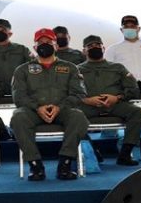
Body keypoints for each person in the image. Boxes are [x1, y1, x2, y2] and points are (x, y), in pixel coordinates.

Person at [10, 28, 89, 181]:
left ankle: (65, 163)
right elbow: (19, 97)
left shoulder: (70, 68)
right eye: (40, 42)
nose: (44, 45)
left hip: (63, 110)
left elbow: (79, 93)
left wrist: (60, 107)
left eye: (48, 42)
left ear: (56, 46)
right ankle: (35, 165)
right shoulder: (22, 70)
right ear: (34, 47)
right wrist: (37, 107)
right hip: (33, 111)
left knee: (78, 117)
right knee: (18, 117)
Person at [77, 35, 141, 166]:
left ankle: (125, 154)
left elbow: (133, 89)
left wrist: (117, 97)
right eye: (90, 46)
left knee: (138, 112)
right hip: (88, 106)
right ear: (84, 51)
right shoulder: (76, 70)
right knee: (72, 117)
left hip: (116, 104)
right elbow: (69, 92)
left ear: (104, 48)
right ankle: (92, 151)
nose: (94, 47)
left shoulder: (118, 67)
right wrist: (86, 100)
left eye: (98, 45)